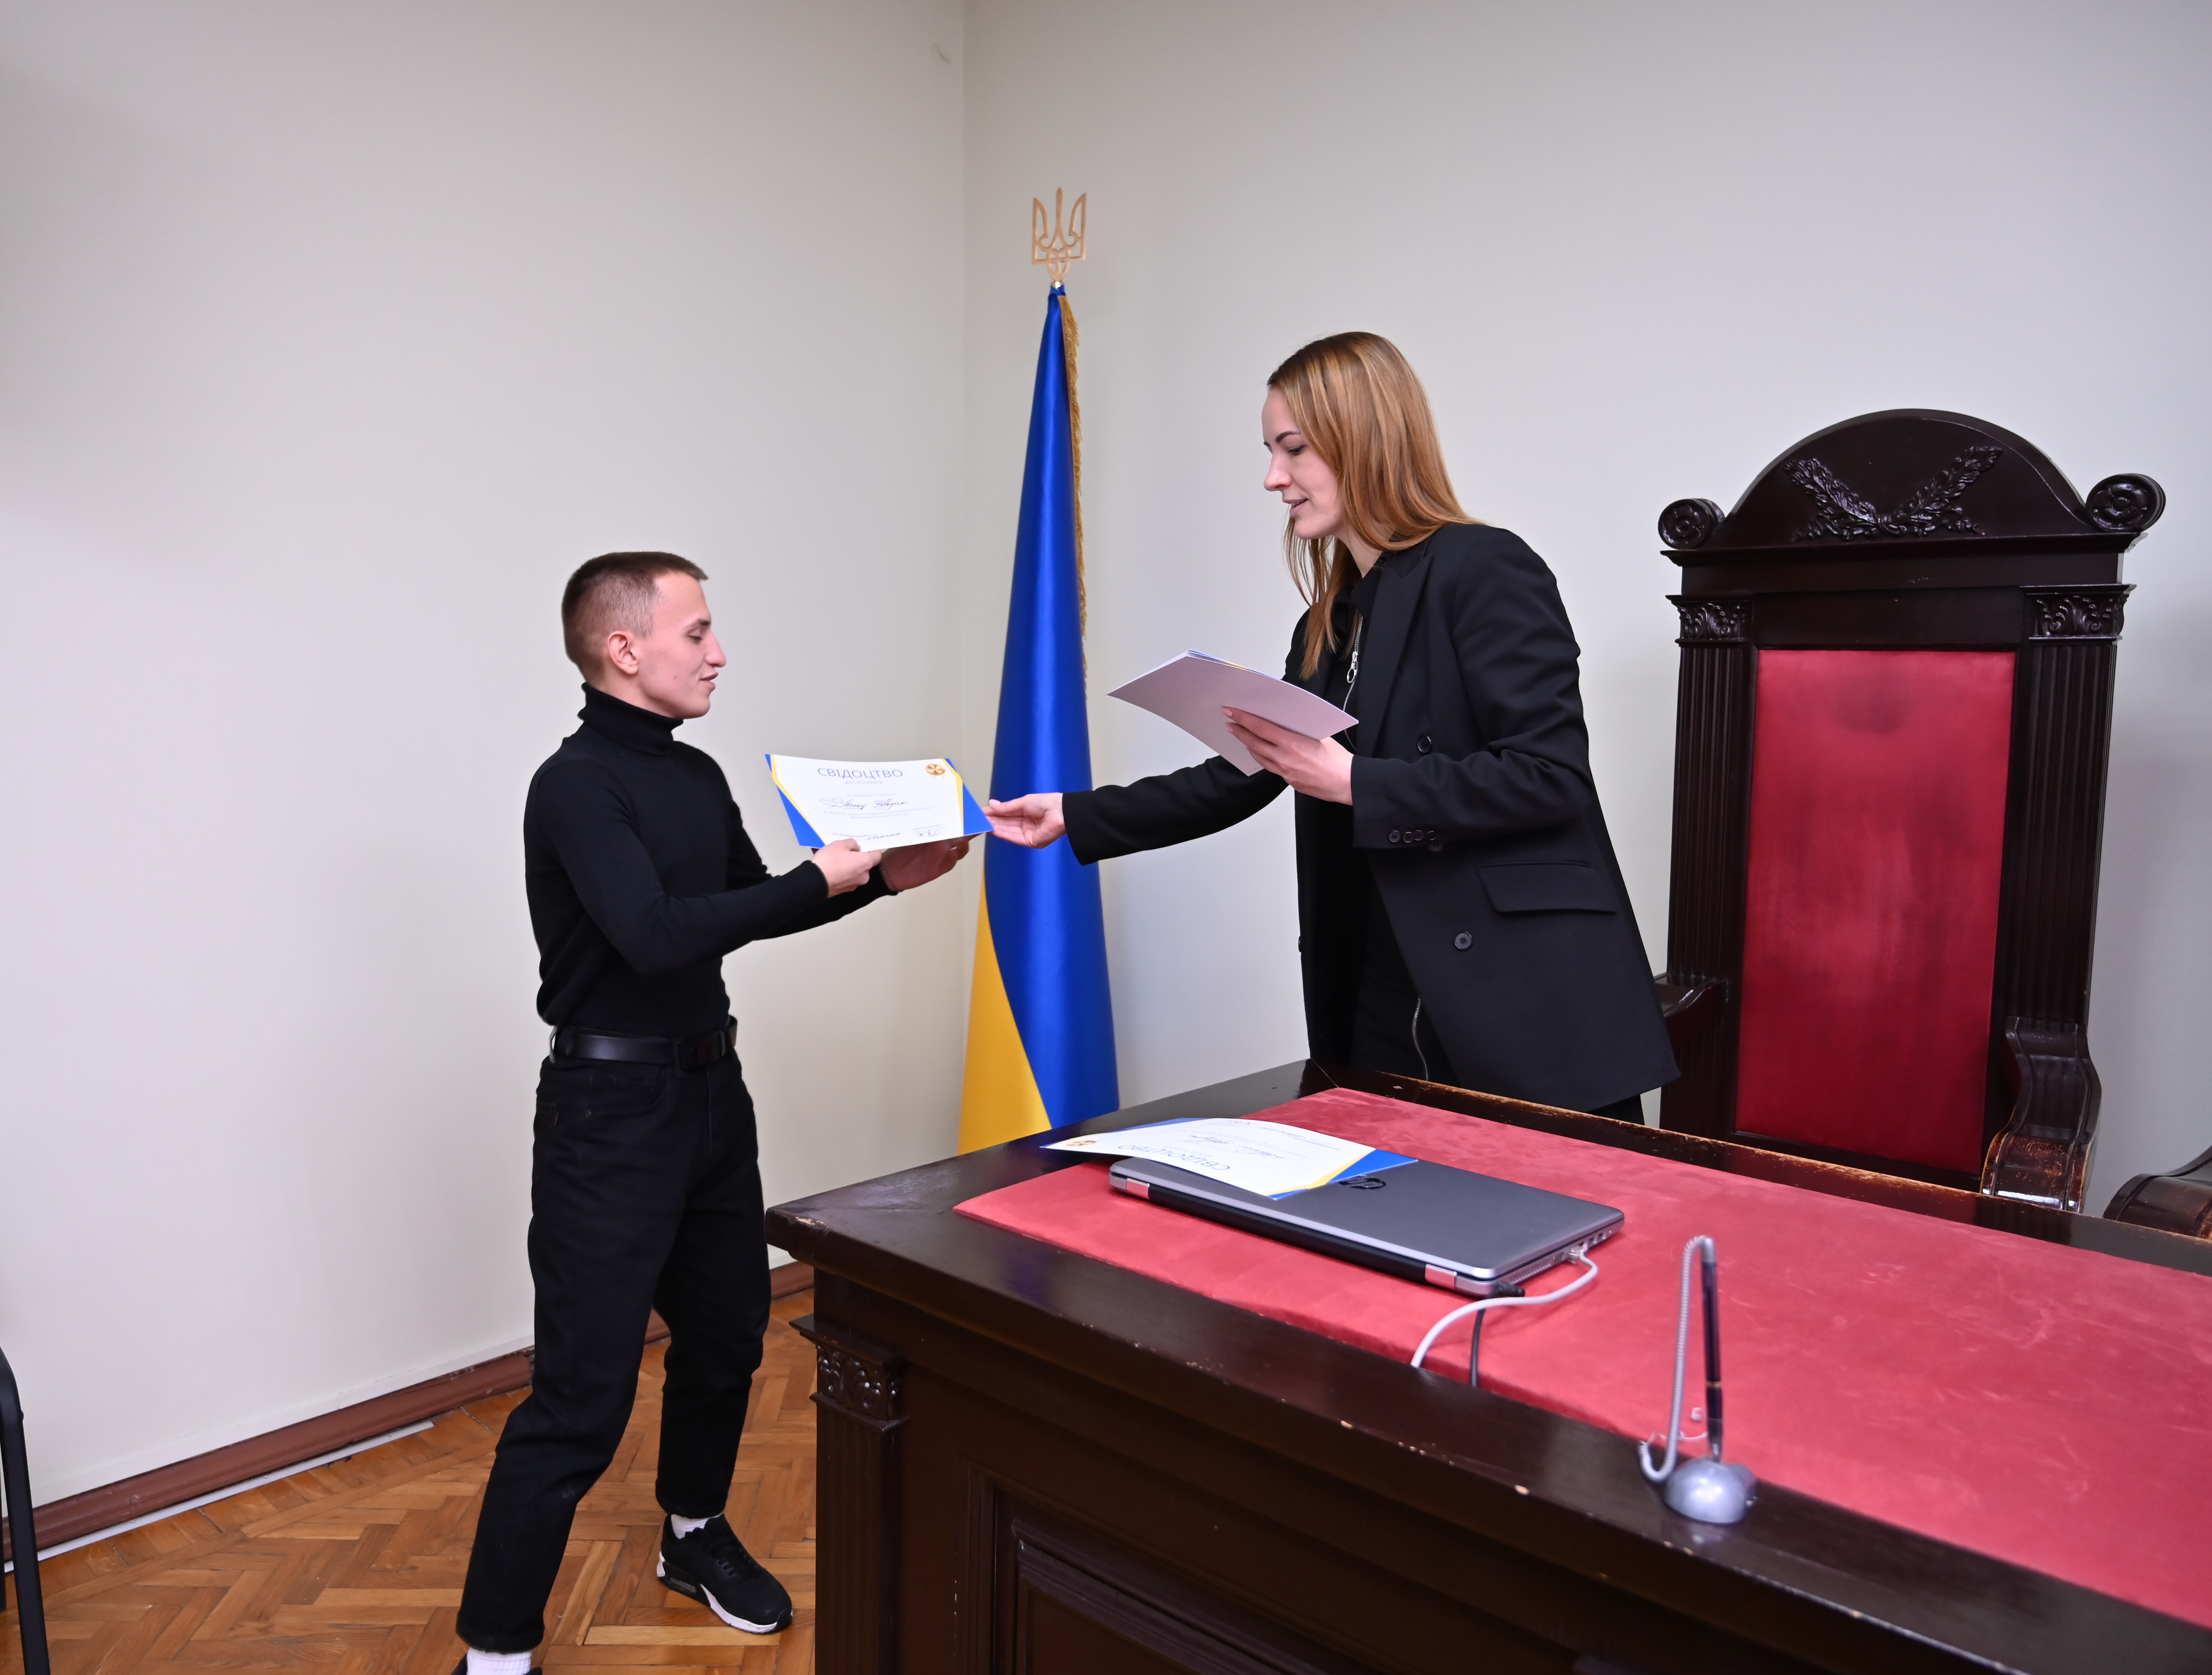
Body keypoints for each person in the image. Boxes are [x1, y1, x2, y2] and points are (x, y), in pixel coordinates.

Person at [455, 551, 969, 1673]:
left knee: (730, 1333)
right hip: (608, 1112)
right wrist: (820, 879)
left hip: (709, 1095)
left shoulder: (692, 775)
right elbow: (652, 934)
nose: (719, 652)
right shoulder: (575, 784)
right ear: (622, 647)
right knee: (581, 1397)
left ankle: (692, 1535)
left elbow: (749, 907)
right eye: (696, 632)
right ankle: (494, 1653)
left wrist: (881, 882)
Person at [984, 332, 1673, 1118]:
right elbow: (1243, 774)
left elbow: (1548, 776)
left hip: (1522, 1006)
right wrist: (1074, 813)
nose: (1274, 478)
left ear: (1364, 440)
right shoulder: (1330, 622)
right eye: (1271, 453)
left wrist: (1355, 782)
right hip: (1380, 992)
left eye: (1295, 450)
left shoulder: (1485, 567)